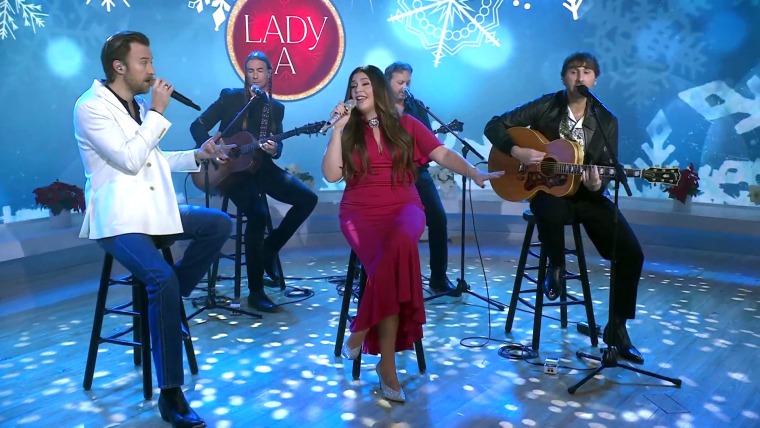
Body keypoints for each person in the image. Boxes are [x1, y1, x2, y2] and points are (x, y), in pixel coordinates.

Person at [75, 31, 232, 427]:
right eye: (144, 62)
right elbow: (130, 159)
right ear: (119, 66)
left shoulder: (139, 107)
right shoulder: (90, 107)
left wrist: (198, 154)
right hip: (118, 219)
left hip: (153, 210)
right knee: (162, 279)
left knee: (218, 224)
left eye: (151, 61)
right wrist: (158, 114)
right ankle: (171, 394)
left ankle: (170, 305)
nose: (152, 70)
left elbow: (153, 158)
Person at [322, 65, 502, 402]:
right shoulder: (348, 129)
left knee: (399, 246)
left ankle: (361, 329)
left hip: (404, 205)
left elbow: (441, 153)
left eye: (365, 83)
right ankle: (386, 367)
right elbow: (332, 175)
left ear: (379, 89)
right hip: (360, 212)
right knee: (390, 269)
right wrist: (338, 130)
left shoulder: (406, 124)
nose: (358, 89)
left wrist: (472, 171)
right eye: (353, 84)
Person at [483, 52, 645, 364]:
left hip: (586, 195)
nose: (579, 77)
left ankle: (617, 328)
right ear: (563, 77)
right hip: (545, 190)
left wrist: (597, 184)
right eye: (573, 71)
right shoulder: (547, 105)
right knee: (551, 207)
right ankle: (555, 267)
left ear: (595, 80)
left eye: (587, 72)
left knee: (631, 253)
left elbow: (606, 167)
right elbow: (494, 125)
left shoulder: (606, 120)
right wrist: (517, 151)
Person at [190, 51, 318, 313]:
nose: (255, 75)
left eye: (260, 70)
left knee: (308, 199)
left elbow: (277, 143)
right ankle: (256, 292)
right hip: (230, 172)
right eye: (250, 71)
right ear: (245, 74)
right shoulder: (229, 97)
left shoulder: (275, 108)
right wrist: (213, 147)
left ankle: (269, 249)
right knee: (258, 214)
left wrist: (274, 149)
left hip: (261, 167)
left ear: (269, 74)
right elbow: (197, 125)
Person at [384, 62, 457, 295]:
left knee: (438, 218)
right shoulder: (377, 108)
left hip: (417, 173)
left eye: (408, 82)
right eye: (400, 82)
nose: (404, 87)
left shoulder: (416, 107)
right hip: (388, 176)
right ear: (387, 82)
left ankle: (438, 278)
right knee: (392, 225)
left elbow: (428, 142)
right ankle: (383, 277)